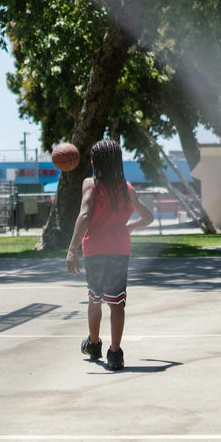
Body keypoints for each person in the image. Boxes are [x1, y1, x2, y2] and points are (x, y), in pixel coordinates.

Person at [65, 139, 154, 370]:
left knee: (95, 299)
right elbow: (148, 218)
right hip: (119, 251)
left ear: (96, 163)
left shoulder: (90, 184)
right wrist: (129, 227)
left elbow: (85, 215)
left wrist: (72, 249)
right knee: (117, 304)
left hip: (94, 250)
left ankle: (94, 344)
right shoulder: (127, 189)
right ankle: (115, 353)